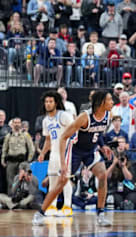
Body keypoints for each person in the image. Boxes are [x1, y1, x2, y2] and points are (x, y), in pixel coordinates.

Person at [33, 91, 115, 226]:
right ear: (101, 103)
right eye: (110, 100)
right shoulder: (84, 117)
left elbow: (97, 132)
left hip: (90, 151)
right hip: (74, 151)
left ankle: (100, 214)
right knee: (62, 182)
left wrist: (103, 146)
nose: (112, 102)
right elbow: (64, 137)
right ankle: (40, 213)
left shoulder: (108, 115)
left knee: (102, 175)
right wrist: (63, 163)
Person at [36, 91, 74, 217]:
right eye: (46, 102)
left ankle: (67, 206)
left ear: (56, 103)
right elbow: (48, 140)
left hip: (65, 151)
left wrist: (72, 141)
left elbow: (75, 128)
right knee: (52, 179)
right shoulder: (46, 120)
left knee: (65, 179)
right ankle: (52, 205)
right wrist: (42, 153)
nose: (48, 104)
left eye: (50, 101)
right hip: (53, 153)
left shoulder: (63, 115)